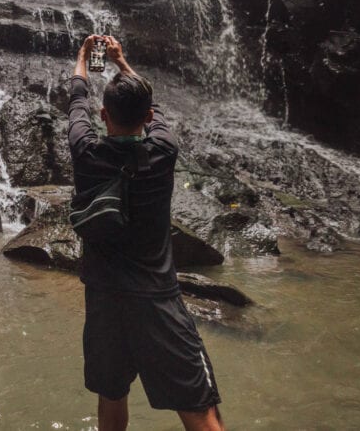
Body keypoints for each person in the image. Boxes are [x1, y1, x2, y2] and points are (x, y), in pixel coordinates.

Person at [69, 35, 225, 431]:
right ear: (147, 116)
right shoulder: (163, 148)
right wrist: (122, 62)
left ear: (103, 116)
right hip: (156, 301)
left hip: (104, 299)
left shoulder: (86, 152)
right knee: (198, 408)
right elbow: (151, 108)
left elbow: (76, 100)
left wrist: (84, 57)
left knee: (112, 395)